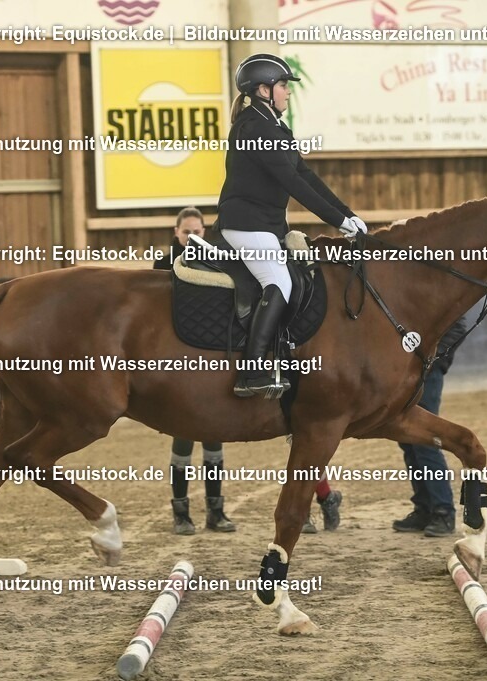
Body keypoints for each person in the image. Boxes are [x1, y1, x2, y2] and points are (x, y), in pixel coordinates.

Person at [217, 53, 368, 399]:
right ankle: (252, 371)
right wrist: (339, 221)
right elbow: (292, 184)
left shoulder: (273, 125)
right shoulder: (255, 128)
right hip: (246, 225)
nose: (287, 92)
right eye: (283, 86)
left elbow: (304, 174)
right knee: (278, 280)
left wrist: (348, 214)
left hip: (265, 225)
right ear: (263, 89)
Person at [155, 207, 236, 534]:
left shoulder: (215, 262)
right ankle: (181, 513)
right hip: (178, 363)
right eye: (187, 231)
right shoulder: (163, 266)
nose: (192, 236)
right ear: (177, 233)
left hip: (211, 361)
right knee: (183, 439)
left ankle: (216, 512)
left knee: (214, 438)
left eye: (197, 231)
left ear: (205, 232)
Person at [392, 318, 469, 537]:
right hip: (402, 372)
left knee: (425, 441)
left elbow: (458, 327)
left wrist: (434, 359)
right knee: (407, 441)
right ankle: (424, 509)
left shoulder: (442, 289)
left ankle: (444, 511)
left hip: (427, 372)